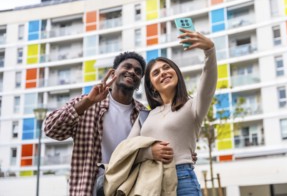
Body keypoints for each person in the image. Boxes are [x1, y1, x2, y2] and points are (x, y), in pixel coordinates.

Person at [43, 52, 175, 196]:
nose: (132, 72)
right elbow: (51, 129)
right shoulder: (88, 104)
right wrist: (88, 101)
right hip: (90, 189)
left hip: (128, 189)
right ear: (113, 73)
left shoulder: (144, 115)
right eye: (127, 67)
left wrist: (181, 154)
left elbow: (159, 149)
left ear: (139, 83)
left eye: (138, 72)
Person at [128, 29, 217, 196]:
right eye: (156, 73)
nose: (163, 73)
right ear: (152, 85)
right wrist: (149, 152)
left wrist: (210, 51)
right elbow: (126, 151)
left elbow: (208, 83)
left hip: (182, 179)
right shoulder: (145, 116)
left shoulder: (192, 106)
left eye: (166, 68)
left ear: (176, 73)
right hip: (148, 183)